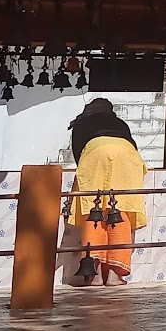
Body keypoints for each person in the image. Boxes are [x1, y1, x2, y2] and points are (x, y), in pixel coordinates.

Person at [65, 98, 147, 286]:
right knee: (120, 210)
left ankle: (93, 274)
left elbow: (79, 156)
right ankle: (114, 275)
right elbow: (132, 145)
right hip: (127, 156)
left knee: (93, 212)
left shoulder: (81, 123)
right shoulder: (119, 123)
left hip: (94, 154)